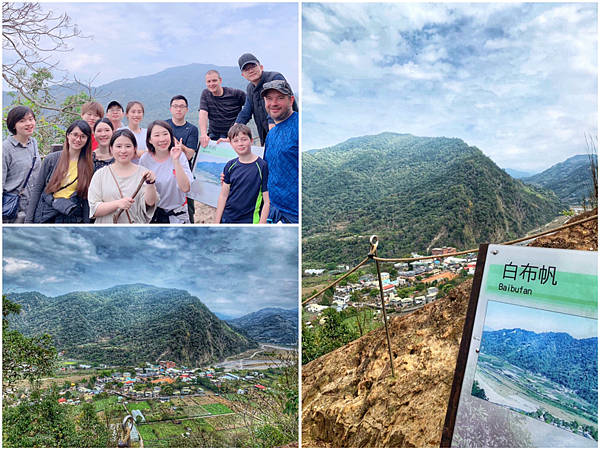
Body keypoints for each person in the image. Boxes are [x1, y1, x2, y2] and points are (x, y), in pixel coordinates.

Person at [25, 120, 94, 223]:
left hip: (70, 216)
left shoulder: (88, 166)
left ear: (87, 139)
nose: (78, 139)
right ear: (68, 135)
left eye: (83, 136)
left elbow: (85, 198)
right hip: (46, 214)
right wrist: (28, 221)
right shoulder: (52, 159)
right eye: (75, 135)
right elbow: (38, 189)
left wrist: (86, 224)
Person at [88, 129, 158, 224]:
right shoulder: (100, 174)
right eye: (118, 146)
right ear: (111, 149)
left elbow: (150, 203)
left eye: (128, 146)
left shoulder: (144, 173)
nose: (123, 150)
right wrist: (118, 204)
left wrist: (151, 183)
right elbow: (94, 209)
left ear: (135, 148)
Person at [235, 53, 297, 146]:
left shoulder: (275, 78)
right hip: (269, 137)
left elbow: (276, 106)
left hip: (288, 133)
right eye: (246, 69)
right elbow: (245, 113)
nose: (250, 71)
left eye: (253, 66)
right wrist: (232, 134)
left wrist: (273, 133)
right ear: (243, 75)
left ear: (261, 67)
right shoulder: (250, 88)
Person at [140, 120, 193, 223]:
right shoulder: (145, 159)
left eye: (165, 134)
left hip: (178, 216)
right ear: (150, 140)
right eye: (157, 135)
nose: (162, 139)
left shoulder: (180, 156)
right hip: (154, 216)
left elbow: (185, 188)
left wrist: (176, 160)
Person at [214, 124, 269, 224]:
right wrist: (217, 222)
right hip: (227, 218)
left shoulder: (262, 166)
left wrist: (262, 224)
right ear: (231, 144)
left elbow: (267, 200)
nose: (240, 143)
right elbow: (223, 195)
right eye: (235, 141)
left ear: (251, 141)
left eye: (244, 139)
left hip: (250, 220)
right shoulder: (230, 165)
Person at [261, 80, 299, 224]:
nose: (274, 103)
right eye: (269, 99)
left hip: (295, 214)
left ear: (291, 100)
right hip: (274, 211)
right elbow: (268, 169)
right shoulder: (271, 134)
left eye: (280, 98)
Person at [3, 106, 41, 223]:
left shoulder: (33, 143)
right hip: (13, 210)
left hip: (34, 207)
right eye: (22, 121)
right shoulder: (5, 149)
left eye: (30, 119)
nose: (28, 123)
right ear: (13, 125)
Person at [165, 95, 199, 222]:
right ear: (170, 109)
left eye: (182, 107)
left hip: (184, 173)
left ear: (186, 109)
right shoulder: (164, 125)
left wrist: (179, 146)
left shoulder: (192, 129)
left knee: (188, 209)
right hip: (165, 171)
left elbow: (190, 154)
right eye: (175, 106)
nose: (178, 109)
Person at [199, 70, 246, 147]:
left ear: (220, 80)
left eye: (214, 80)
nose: (211, 84)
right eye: (209, 81)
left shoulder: (235, 94)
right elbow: (203, 113)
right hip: (213, 135)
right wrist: (203, 135)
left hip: (233, 136)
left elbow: (249, 107)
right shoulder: (205, 94)